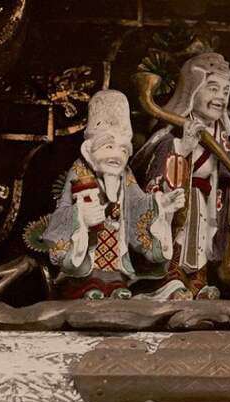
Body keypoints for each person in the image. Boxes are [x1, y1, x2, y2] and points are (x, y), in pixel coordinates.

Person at [132, 53, 230, 300]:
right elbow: (157, 163)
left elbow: (226, 177)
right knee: (179, 236)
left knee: (202, 238)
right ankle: (171, 279)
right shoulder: (173, 130)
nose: (220, 97)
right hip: (180, 196)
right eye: (213, 88)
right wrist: (183, 148)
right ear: (191, 90)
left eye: (225, 91)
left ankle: (198, 282)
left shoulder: (220, 135)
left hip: (207, 199)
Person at [43, 90, 185, 300]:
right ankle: (87, 286)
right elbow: (62, 211)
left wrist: (160, 204)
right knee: (88, 278)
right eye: (109, 146)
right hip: (88, 252)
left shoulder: (125, 175)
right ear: (88, 150)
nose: (116, 155)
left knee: (117, 280)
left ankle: (115, 285)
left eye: (123, 150)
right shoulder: (79, 171)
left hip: (117, 245)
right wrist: (80, 216)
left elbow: (137, 203)